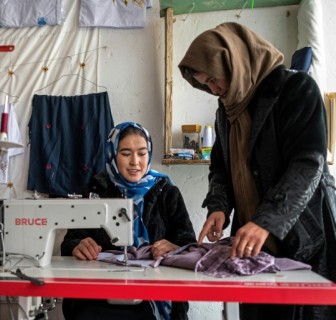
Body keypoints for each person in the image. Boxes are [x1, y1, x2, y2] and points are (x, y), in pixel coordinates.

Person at [178, 22, 336, 320]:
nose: (214, 90)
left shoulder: (296, 90)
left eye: (214, 80)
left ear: (234, 60)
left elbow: (308, 162)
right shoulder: (228, 110)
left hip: (304, 240)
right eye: (206, 85)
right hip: (256, 247)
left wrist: (266, 221)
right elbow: (221, 169)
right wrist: (219, 207)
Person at [61, 122, 197, 320]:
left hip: (154, 295)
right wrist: (77, 246)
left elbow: (191, 245)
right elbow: (70, 241)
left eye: (142, 153)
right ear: (113, 154)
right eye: (125, 153)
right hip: (100, 293)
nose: (135, 161)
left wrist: (175, 247)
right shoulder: (95, 191)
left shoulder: (167, 193)